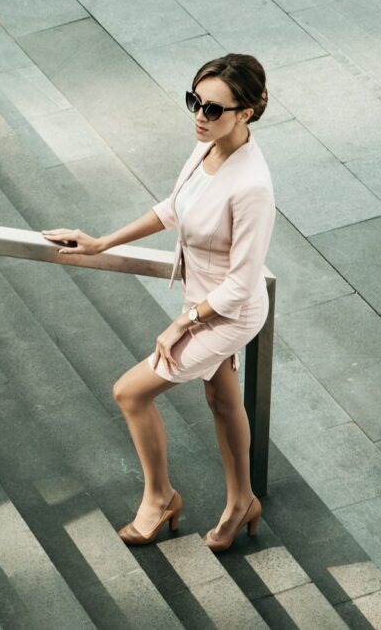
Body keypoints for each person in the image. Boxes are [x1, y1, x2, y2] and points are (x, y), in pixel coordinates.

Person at [42, 54, 276, 553]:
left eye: (213, 109)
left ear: (248, 112)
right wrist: (102, 242)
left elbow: (240, 285)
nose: (199, 115)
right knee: (221, 399)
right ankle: (243, 502)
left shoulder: (252, 187)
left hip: (226, 312)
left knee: (131, 393)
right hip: (201, 299)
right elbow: (174, 208)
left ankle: (161, 498)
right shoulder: (206, 148)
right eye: (194, 101)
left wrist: (181, 324)